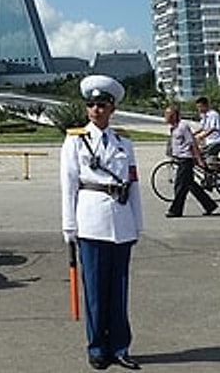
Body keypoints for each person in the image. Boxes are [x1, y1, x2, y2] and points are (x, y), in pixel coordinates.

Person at [60, 74, 143, 370]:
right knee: (95, 290)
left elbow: (133, 184)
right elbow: (69, 185)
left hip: (121, 223)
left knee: (119, 290)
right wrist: (69, 226)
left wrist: (137, 223)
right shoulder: (75, 141)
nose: (96, 109)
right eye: (91, 104)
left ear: (112, 109)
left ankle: (120, 347)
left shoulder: (124, 142)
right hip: (91, 222)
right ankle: (97, 348)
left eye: (102, 104)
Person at [164, 106, 218, 218]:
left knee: (180, 186)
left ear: (174, 116)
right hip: (180, 159)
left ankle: (175, 210)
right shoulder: (173, 128)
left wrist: (199, 160)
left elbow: (192, 143)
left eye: (167, 115)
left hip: (186, 160)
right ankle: (209, 205)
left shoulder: (183, 127)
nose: (165, 117)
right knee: (191, 185)